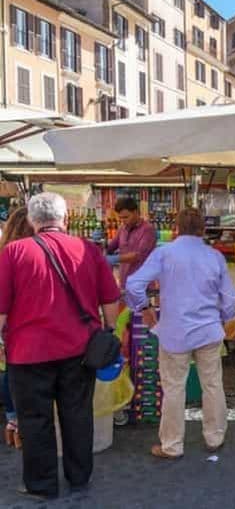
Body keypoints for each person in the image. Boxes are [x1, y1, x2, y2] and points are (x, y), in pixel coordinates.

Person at [0, 193, 119, 500]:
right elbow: (110, 299)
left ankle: (41, 485)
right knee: (78, 415)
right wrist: (107, 329)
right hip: (79, 350)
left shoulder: (13, 252)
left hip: (27, 353)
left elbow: (1, 310)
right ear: (64, 219)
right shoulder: (88, 250)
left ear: (31, 220)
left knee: (35, 420)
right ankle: (79, 478)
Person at [126, 208, 235, 459]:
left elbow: (133, 283)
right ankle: (214, 437)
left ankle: (172, 445)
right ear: (202, 229)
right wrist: (226, 317)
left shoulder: (164, 253)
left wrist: (143, 308)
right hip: (208, 330)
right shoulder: (214, 256)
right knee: (212, 384)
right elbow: (229, 295)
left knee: (174, 388)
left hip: (175, 331)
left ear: (176, 228)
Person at [0, 208, 34, 449]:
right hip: (29, 330)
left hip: (9, 331)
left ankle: (13, 421)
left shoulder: (4, 255)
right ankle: (23, 425)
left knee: (8, 374)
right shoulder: (32, 256)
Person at [107, 197, 157, 290]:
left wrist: (115, 258)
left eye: (126, 217)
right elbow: (110, 247)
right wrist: (100, 244)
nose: (123, 220)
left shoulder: (148, 230)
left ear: (136, 212)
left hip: (142, 286)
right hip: (124, 283)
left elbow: (138, 256)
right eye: (120, 218)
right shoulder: (122, 229)